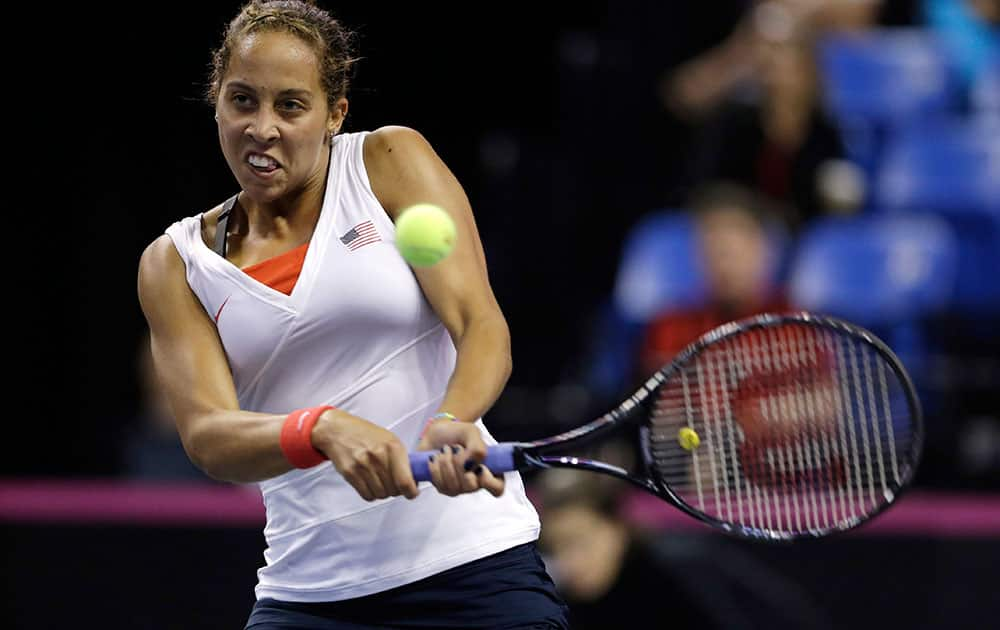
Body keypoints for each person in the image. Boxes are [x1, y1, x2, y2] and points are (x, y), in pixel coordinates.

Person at [136, 1, 567, 628]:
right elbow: (209, 437)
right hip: (307, 595)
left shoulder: (389, 162)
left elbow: (482, 326)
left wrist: (453, 418)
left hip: (473, 571)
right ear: (216, 99)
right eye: (242, 100)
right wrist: (319, 428)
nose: (262, 128)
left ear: (335, 114)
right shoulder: (175, 263)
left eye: (290, 105)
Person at [639, 182, 790, 376]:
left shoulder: (796, 326)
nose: (725, 266)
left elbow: (826, 397)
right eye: (715, 253)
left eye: (734, 253)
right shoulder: (669, 329)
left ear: (764, 250)